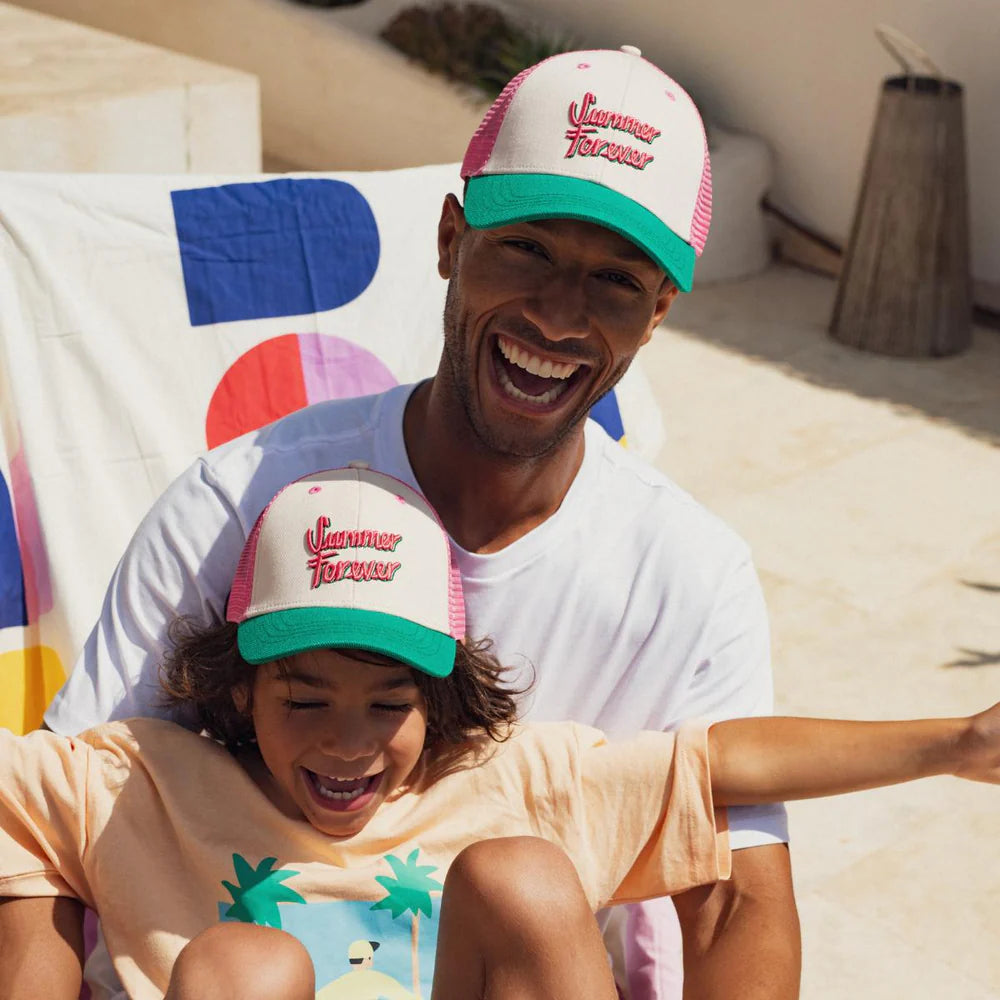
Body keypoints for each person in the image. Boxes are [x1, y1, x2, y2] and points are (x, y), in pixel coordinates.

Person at [40, 45, 795, 997]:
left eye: (616, 280)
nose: (560, 317)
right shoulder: (234, 501)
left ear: (657, 313)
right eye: (527, 248)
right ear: (450, 239)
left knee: (524, 883)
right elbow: (48, 837)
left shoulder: (693, 574)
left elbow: (736, 889)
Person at [3, 467, 999, 1000]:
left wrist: (958, 741)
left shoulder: (508, 780)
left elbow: (719, 763)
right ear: (236, 696)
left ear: (438, 705)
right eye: (304, 700)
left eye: (388, 703)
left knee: (521, 875)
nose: (347, 741)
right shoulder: (141, 784)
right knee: (241, 966)